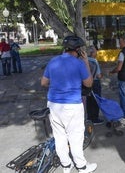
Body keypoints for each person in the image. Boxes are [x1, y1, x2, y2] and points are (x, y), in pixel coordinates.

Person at [41, 36, 97, 173]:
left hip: (53, 104)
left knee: (59, 136)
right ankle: (82, 167)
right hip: (72, 105)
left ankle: (66, 165)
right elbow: (89, 83)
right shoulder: (78, 64)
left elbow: (43, 83)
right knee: (75, 136)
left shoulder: (53, 61)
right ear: (77, 50)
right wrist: (85, 62)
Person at [85, 45, 104, 125]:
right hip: (95, 82)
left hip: (86, 83)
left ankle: (89, 117)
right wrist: (102, 75)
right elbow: (98, 75)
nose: (97, 52)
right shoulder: (94, 61)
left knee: (89, 101)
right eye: (96, 51)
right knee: (96, 100)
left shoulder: (84, 60)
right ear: (92, 53)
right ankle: (95, 118)